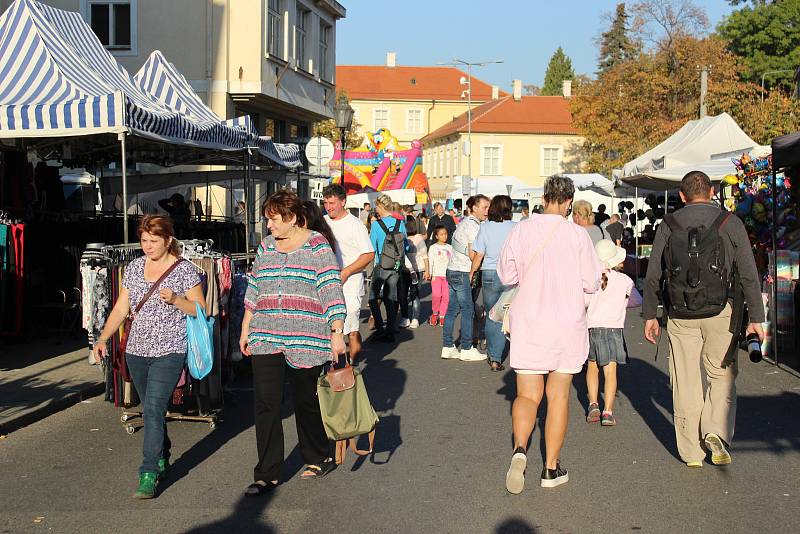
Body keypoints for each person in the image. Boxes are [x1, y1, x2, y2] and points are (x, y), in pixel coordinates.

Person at [643, 171, 764, 468]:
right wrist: (756, 318)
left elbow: (653, 274)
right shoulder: (729, 223)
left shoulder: (668, 225)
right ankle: (716, 432)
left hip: (680, 312)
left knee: (685, 380)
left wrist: (650, 315)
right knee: (721, 375)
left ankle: (691, 453)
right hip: (722, 310)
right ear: (711, 191)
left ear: (682, 196)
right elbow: (749, 272)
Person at [498, 175, 602, 494]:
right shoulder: (578, 236)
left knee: (528, 396)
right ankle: (551, 468)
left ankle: (519, 450)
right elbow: (591, 282)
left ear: (544, 197)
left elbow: (506, 274)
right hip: (566, 324)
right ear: (569, 202)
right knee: (558, 396)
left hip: (530, 321)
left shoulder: (522, 229)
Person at [240, 190, 346, 496]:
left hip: (307, 336)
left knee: (306, 401)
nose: (269, 226)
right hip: (266, 334)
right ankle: (267, 473)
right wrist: (246, 328)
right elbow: (254, 288)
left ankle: (317, 455)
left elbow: (330, 288)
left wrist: (337, 331)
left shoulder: (317, 245)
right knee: (266, 404)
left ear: (292, 218)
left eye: (273, 220)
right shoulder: (265, 247)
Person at [93, 215, 205, 499]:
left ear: (168, 240)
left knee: (154, 409)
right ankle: (163, 454)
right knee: (151, 409)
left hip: (170, 350)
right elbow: (121, 308)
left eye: (154, 241)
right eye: (144, 240)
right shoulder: (133, 267)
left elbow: (203, 310)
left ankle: (148, 472)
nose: (148, 246)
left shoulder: (185, 271)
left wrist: (177, 301)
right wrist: (103, 339)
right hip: (136, 351)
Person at [585, 239, 642, 427]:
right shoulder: (625, 280)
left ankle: (593, 403)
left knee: (592, 368)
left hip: (592, 327)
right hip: (614, 329)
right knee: (611, 372)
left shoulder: (589, 278)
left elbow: (583, 301)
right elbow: (636, 301)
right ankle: (608, 411)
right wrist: (621, 302)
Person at [322, 185, 375, 363]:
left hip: (350, 283)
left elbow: (368, 254)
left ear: (343, 201)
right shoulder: (322, 223)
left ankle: (352, 365)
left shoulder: (355, 224)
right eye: (325, 203)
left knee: (350, 329)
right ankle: (335, 365)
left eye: (332, 203)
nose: (328, 207)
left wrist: (347, 271)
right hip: (327, 283)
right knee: (330, 327)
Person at [470, 195, 516, 371]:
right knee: (511, 313)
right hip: (511, 274)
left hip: (489, 273)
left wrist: (472, 272)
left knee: (492, 315)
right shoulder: (516, 227)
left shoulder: (485, 227)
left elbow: (479, 254)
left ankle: (494, 357)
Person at [441, 194, 489, 362]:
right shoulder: (474, 227)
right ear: (474, 208)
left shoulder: (462, 224)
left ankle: (447, 346)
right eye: (485, 207)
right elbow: (472, 253)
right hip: (462, 271)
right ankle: (467, 348)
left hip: (452, 269)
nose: (487, 211)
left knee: (452, 310)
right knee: (467, 311)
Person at [369, 194, 408, 343]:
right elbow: (407, 246)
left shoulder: (376, 225)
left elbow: (372, 247)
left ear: (381, 206)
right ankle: (390, 331)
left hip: (381, 265)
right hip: (396, 266)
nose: (375, 209)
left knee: (373, 298)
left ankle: (380, 328)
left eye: (376, 206)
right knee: (390, 298)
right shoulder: (400, 223)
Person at [399, 218, 428, 329]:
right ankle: (405, 317)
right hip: (406, 270)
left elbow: (424, 255)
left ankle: (415, 318)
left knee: (415, 294)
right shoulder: (403, 238)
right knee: (403, 294)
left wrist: (427, 270)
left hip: (418, 270)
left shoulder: (418, 238)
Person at [427, 225, 452, 326]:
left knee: (446, 296)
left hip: (447, 276)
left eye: (445, 234)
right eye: (441, 234)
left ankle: (442, 316)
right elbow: (430, 261)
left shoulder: (450, 247)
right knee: (436, 295)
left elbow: (452, 261)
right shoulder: (433, 248)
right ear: (436, 236)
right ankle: (435, 313)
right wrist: (430, 273)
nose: (444, 236)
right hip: (436, 275)